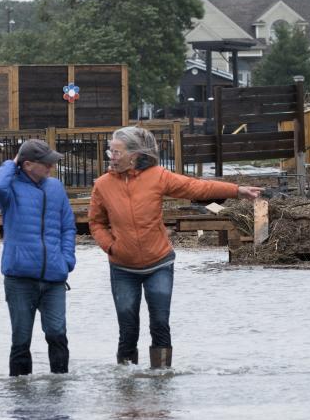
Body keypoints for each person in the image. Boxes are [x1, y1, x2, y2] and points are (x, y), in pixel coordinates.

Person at [88, 126, 262, 369]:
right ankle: (126, 382)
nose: (111, 157)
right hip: (122, 268)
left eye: (116, 152)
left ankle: (161, 378)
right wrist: (110, 246)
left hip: (159, 264)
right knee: (127, 328)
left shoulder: (158, 176)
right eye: (110, 152)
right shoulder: (103, 185)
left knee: (160, 323)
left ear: (134, 154)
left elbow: (196, 187)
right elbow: (96, 222)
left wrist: (236, 190)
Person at [0, 139, 76, 377]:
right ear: (27, 165)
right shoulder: (10, 188)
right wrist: (12, 162)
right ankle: (19, 394)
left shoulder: (55, 187)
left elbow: (68, 226)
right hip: (19, 279)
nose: (50, 167)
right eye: (45, 163)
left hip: (54, 278)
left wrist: (67, 260)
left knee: (57, 334)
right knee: (21, 340)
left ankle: (60, 389)